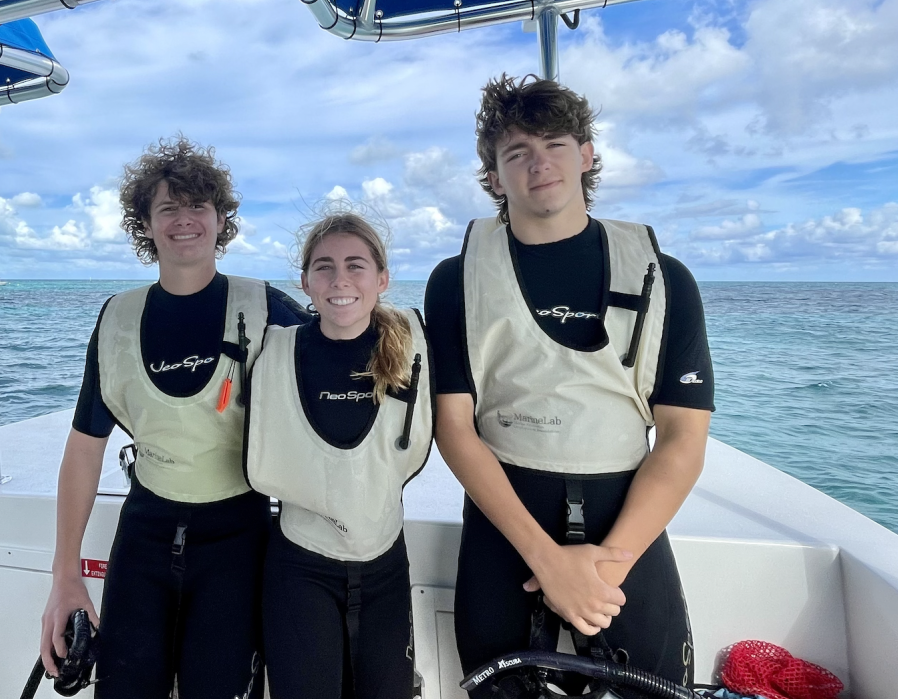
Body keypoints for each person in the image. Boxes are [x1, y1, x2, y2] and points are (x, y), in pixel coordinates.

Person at [426, 74, 714, 690]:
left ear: (586, 155)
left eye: (555, 144)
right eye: (516, 153)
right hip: (508, 524)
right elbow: (453, 428)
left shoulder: (666, 280)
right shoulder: (455, 281)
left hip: (625, 523)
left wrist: (609, 566)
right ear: (494, 176)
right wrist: (547, 562)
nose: (539, 165)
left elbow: (682, 438)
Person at [39, 136, 307, 699]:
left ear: (220, 219)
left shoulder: (268, 309)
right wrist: (65, 575)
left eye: (197, 206)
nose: (184, 220)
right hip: (145, 535)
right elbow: (85, 446)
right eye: (167, 207)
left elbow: (344, 359)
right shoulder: (115, 318)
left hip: (239, 538)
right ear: (146, 223)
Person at [245, 212, 434, 699]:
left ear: (382, 279)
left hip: (385, 563)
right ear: (305, 281)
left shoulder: (412, 345)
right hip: (299, 565)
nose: (340, 280)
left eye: (356, 265)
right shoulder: (275, 349)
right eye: (324, 267)